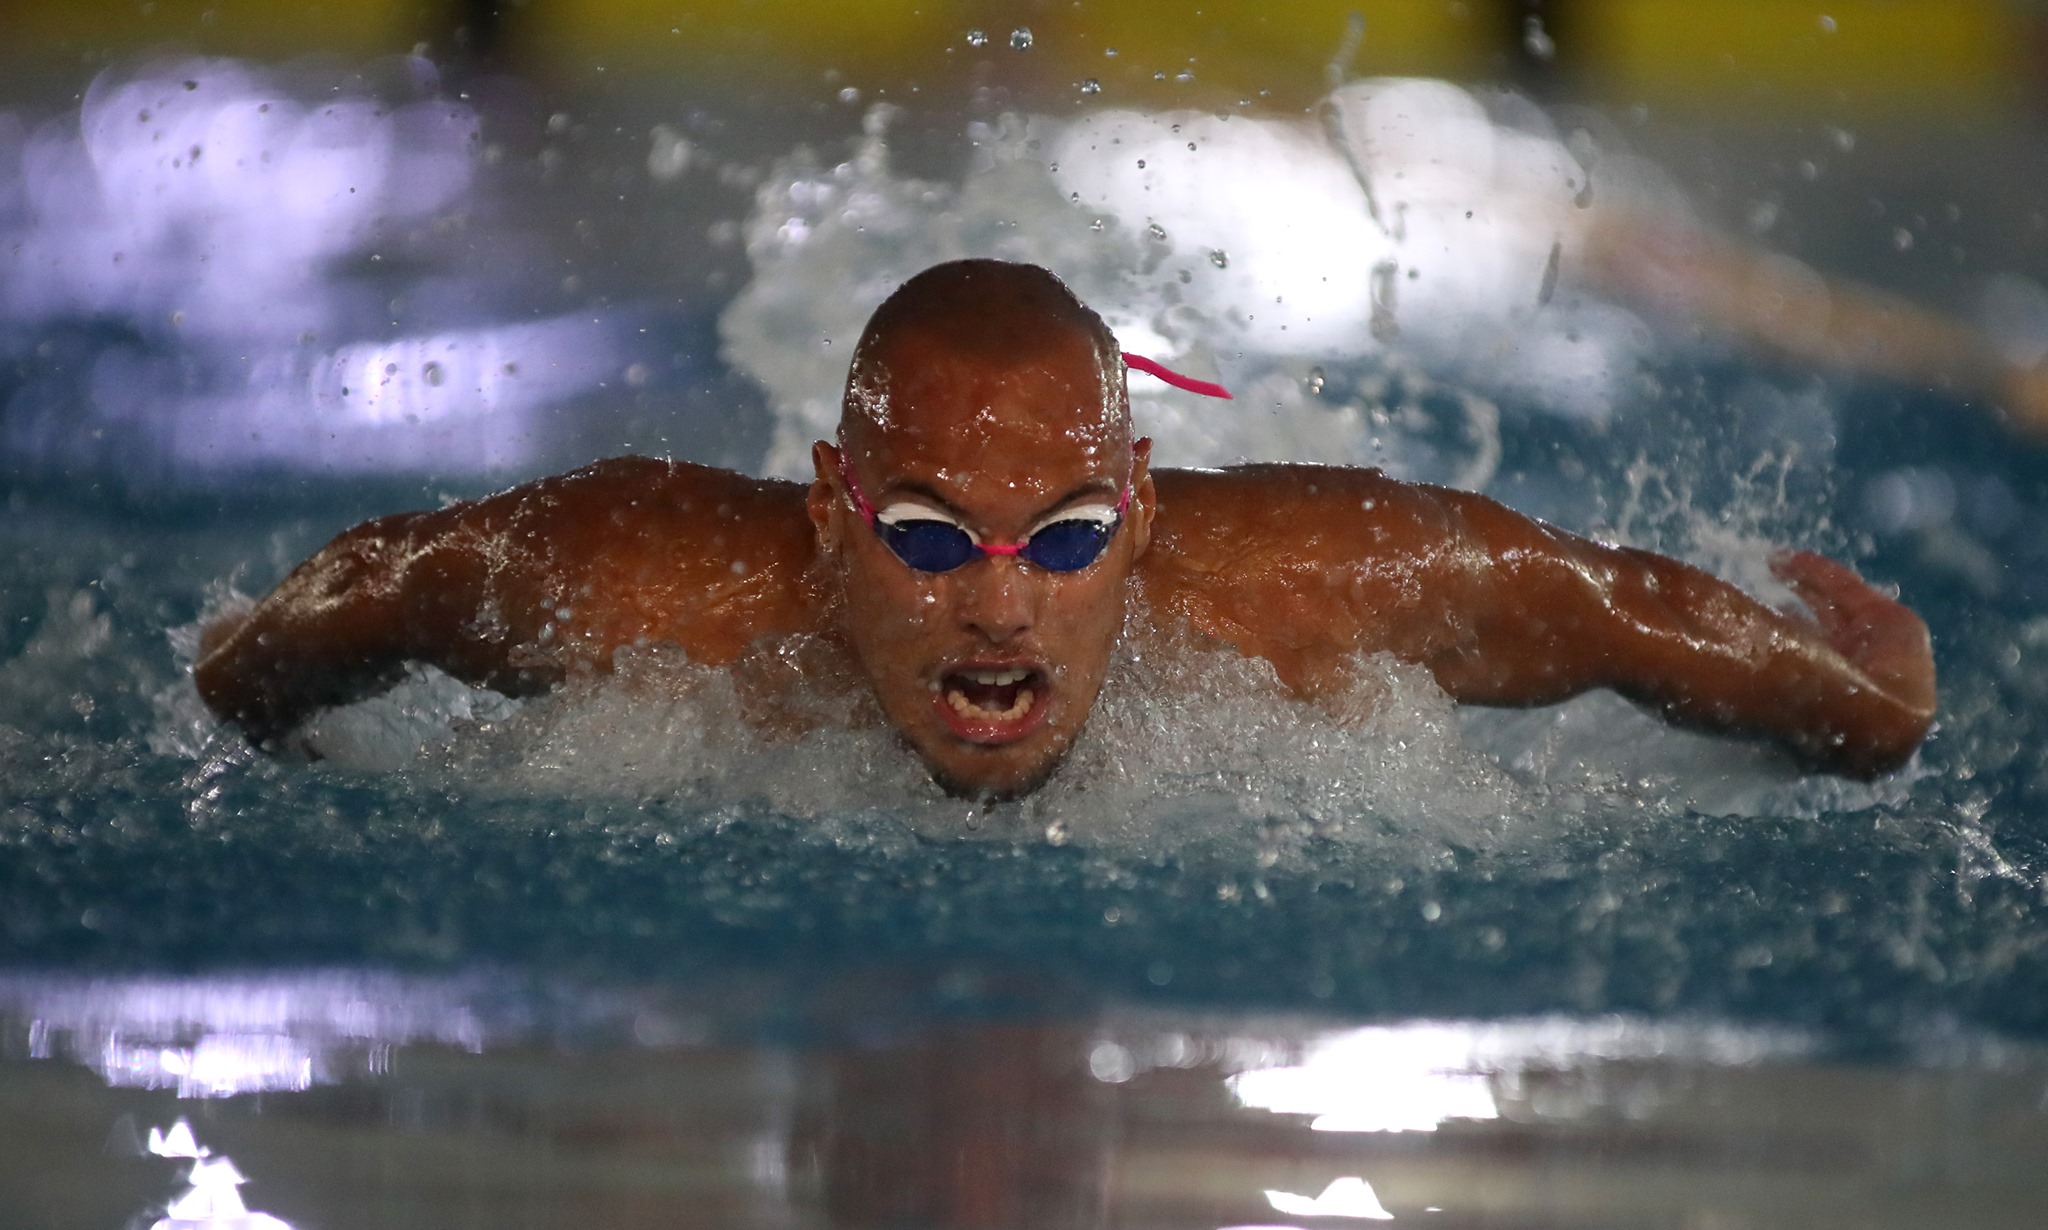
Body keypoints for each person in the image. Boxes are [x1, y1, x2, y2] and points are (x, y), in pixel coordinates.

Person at [194, 259, 1935, 798]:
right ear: (832, 515)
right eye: (937, 542)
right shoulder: (639, 584)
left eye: (1075, 534)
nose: (1005, 609)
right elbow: (359, 593)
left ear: (1150, 513)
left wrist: (1869, 704)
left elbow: (1613, 608)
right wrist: (268, 741)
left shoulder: (1308, 593)